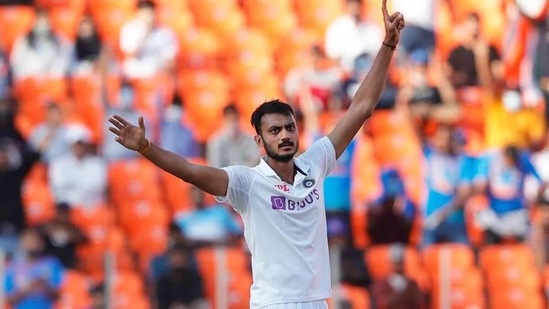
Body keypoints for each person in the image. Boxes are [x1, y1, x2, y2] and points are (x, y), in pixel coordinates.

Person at [108, 2, 405, 307]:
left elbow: (362, 107)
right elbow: (190, 171)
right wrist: (146, 147)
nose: (285, 135)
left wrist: (388, 44)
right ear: (259, 141)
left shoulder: (314, 163)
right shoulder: (246, 182)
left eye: (289, 127)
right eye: (275, 131)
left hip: (316, 301)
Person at [475, 145, 547, 243]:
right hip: (495, 213)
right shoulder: (491, 162)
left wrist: (535, 198)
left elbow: (541, 182)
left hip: (518, 213)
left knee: (530, 237)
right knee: (484, 234)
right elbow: (480, 186)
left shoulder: (524, 162)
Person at [4, 228, 64, 309]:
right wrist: (27, 289)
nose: (32, 244)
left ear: (42, 243)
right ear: (22, 242)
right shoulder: (12, 267)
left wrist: (44, 286)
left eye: (35, 241)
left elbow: (60, 294)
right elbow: (8, 299)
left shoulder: (52, 264)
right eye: (29, 241)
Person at [49, 126, 107, 208]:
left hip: (90, 209)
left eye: (81, 144)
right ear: (70, 145)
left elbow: (98, 187)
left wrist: (73, 187)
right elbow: (58, 189)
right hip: (67, 209)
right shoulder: (59, 163)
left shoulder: (97, 164)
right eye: (76, 144)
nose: (79, 148)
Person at [10, 7, 72, 81]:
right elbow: (15, 62)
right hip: (29, 82)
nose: (41, 23)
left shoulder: (59, 40)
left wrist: (50, 76)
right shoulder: (23, 40)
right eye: (38, 20)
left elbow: (64, 60)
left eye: (44, 20)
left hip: (52, 82)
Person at [324, 0, 384, 72]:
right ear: (345, 6)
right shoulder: (336, 28)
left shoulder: (372, 28)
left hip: (369, 74)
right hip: (345, 78)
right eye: (351, 4)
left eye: (357, 3)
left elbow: (378, 57)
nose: (355, 7)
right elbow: (333, 57)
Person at [174, 186, 242, 248]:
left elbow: (237, 232)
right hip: (192, 253)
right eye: (194, 195)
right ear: (189, 196)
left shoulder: (221, 212)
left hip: (219, 249)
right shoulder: (182, 217)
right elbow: (177, 239)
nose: (197, 197)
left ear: (204, 195)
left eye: (199, 194)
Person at [206, 104, 260, 168]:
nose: (233, 124)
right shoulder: (215, 141)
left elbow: (256, 162)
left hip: (247, 176)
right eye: (229, 121)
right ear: (223, 121)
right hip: (224, 176)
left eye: (235, 119)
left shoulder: (250, 139)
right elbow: (215, 167)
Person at [370, 244, 423, 309]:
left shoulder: (412, 284)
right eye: (395, 262)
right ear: (390, 262)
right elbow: (381, 303)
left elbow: (418, 303)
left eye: (400, 262)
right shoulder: (382, 284)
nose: (398, 264)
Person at [155, 245, 206, 309]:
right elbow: (162, 303)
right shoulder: (163, 280)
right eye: (174, 256)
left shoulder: (194, 276)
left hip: (191, 306)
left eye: (180, 255)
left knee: (201, 304)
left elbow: (198, 295)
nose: (178, 259)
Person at [38, 203, 88, 268]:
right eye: (60, 213)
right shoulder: (48, 225)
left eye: (64, 214)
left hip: (68, 261)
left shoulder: (72, 227)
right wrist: (49, 232)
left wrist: (69, 235)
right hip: (49, 261)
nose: (62, 216)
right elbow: (35, 232)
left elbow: (84, 239)